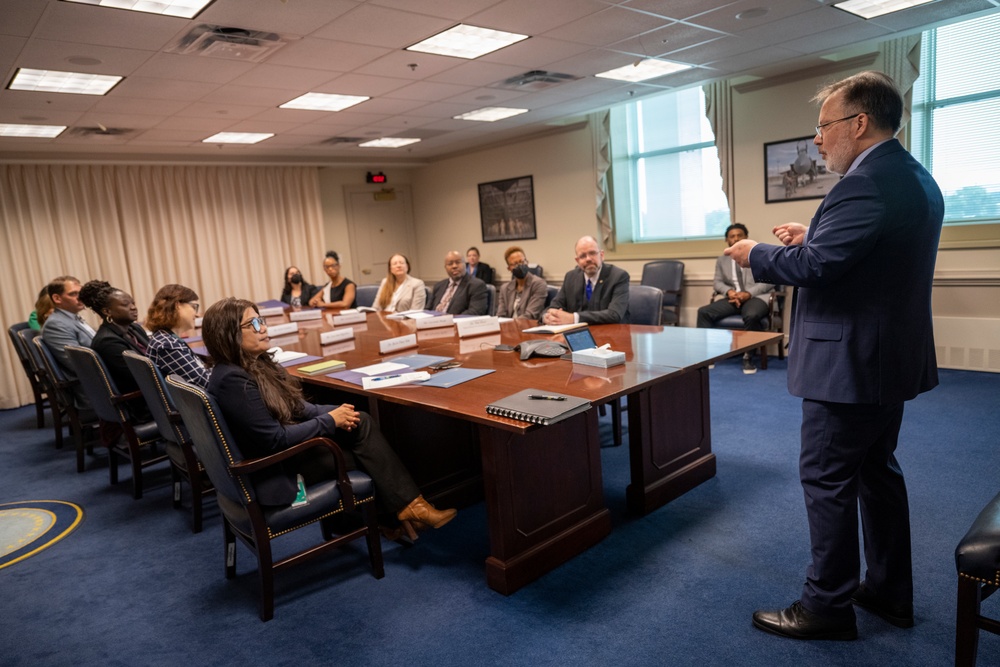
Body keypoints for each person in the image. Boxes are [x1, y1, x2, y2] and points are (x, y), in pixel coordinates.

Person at [725, 71, 944, 640]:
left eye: (823, 126)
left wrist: (758, 254)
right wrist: (813, 232)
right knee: (877, 473)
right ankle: (890, 591)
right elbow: (861, 253)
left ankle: (826, 605)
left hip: (849, 367)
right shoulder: (914, 177)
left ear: (858, 123)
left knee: (826, 479)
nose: (817, 139)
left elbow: (820, 269)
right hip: (886, 360)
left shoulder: (863, 184)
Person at [201, 297, 456, 540]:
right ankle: (405, 511)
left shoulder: (255, 364)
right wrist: (331, 420)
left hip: (284, 455)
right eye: (253, 324)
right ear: (228, 334)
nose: (263, 328)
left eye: (262, 320)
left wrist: (340, 412)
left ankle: (403, 513)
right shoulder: (232, 380)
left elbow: (298, 409)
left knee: (360, 419)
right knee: (363, 454)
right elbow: (274, 440)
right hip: (275, 469)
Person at [696, 223, 775, 374]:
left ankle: (748, 356)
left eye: (740, 235)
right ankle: (707, 357)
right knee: (703, 312)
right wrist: (729, 292)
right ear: (727, 240)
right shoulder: (722, 260)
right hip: (733, 299)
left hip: (755, 297)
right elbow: (717, 282)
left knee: (751, 315)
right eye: (732, 236)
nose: (736, 238)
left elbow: (768, 281)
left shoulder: (758, 256)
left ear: (746, 237)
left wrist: (749, 293)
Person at [79, 280, 151, 421]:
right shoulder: (107, 342)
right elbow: (139, 376)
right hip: (143, 403)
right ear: (107, 311)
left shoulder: (134, 328)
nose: (133, 308)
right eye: (125, 305)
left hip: (152, 391)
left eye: (133, 303)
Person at [544, 235, 629, 325]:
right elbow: (554, 306)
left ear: (602, 255)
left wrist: (574, 318)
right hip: (577, 335)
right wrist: (547, 317)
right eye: (583, 256)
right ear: (577, 261)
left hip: (611, 335)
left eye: (592, 253)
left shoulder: (618, 276)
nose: (588, 259)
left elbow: (614, 315)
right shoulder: (570, 277)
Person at [42, 275, 96, 409]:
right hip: (93, 390)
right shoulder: (56, 324)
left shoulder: (72, 318)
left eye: (80, 293)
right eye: (73, 294)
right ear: (57, 298)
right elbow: (79, 363)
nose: (80, 297)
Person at [145, 284, 211, 388]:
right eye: (194, 307)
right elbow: (206, 383)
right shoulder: (167, 345)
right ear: (177, 306)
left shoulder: (165, 338)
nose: (197, 314)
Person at [430, 250, 488, 315]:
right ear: (445, 268)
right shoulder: (438, 286)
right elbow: (427, 310)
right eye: (450, 264)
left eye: (458, 262)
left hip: (455, 323)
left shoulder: (476, 285)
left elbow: (475, 312)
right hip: (432, 322)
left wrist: (448, 320)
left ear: (465, 264)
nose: (454, 266)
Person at [496, 245, 547, 320]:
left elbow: (530, 315)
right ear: (509, 268)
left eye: (522, 261)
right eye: (515, 264)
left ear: (527, 262)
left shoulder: (538, 284)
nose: (520, 265)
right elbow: (500, 315)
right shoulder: (504, 289)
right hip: (507, 328)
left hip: (528, 327)